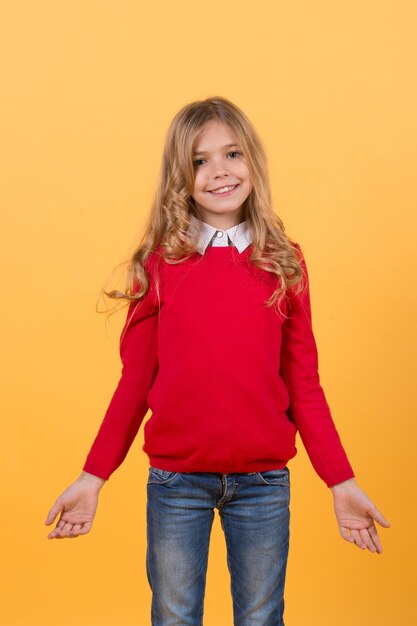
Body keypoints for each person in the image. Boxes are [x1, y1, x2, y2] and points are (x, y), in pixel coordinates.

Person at [45, 96, 390, 626]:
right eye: (200, 161)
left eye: (232, 154)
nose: (220, 172)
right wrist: (93, 476)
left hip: (263, 484)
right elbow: (135, 383)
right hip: (176, 484)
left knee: (260, 615)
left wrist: (340, 481)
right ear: (180, 178)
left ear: (253, 160)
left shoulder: (285, 261)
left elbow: (304, 382)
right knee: (175, 615)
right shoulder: (160, 263)